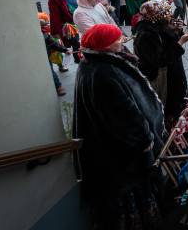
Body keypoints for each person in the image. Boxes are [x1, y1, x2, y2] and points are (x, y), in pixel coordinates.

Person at [73, 23, 166, 229]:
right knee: (132, 195)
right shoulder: (104, 73)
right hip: (123, 156)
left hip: (110, 151)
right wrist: (145, 140)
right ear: (105, 45)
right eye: (117, 39)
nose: (122, 40)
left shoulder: (91, 65)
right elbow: (124, 116)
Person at [133, 0, 188, 122]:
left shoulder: (160, 26)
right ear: (156, 17)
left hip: (172, 73)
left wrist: (177, 30)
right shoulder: (145, 35)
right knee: (168, 109)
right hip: (162, 79)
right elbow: (159, 60)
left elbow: (170, 41)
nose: (170, 15)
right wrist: (180, 43)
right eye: (166, 13)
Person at [47, 0, 81, 69]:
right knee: (74, 44)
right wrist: (55, 31)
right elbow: (54, 15)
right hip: (68, 26)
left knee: (80, 43)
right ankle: (77, 62)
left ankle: (79, 60)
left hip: (81, 20)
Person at [38, 12, 67, 96]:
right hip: (46, 53)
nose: (46, 24)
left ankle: (61, 68)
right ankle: (58, 86)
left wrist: (64, 49)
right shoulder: (42, 31)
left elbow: (52, 42)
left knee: (57, 59)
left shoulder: (45, 31)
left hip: (51, 50)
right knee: (50, 70)